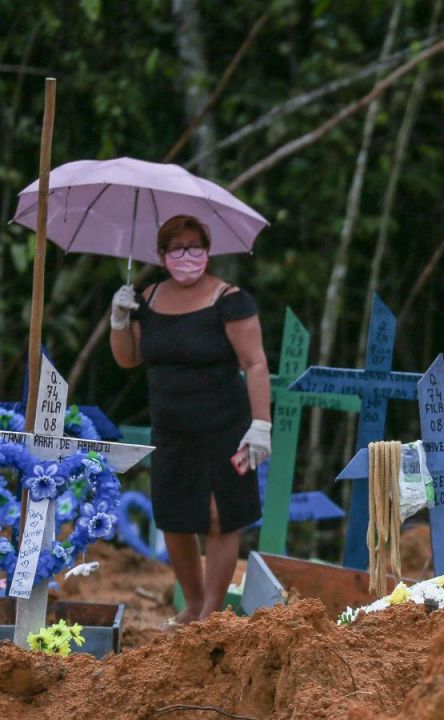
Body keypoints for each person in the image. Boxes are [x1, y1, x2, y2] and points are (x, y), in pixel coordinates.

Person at [108, 215, 272, 624]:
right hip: (171, 427)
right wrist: (120, 319)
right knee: (176, 517)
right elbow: (128, 358)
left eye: (195, 247)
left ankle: (211, 613)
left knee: (219, 517)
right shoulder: (147, 298)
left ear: (207, 251)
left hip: (224, 424)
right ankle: (192, 604)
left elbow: (254, 363)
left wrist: (261, 424)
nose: (187, 256)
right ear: (162, 256)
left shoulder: (229, 299)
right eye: (177, 248)